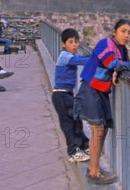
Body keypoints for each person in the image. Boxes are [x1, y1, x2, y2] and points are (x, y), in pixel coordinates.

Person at [74, 18, 130, 185]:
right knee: (98, 130)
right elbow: (113, 63)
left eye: (129, 33)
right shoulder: (104, 44)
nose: (126, 35)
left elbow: (123, 65)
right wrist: (121, 68)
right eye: (123, 31)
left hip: (101, 91)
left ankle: (93, 167)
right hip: (91, 89)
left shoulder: (120, 49)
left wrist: (122, 68)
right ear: (114, 31)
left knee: (103, 130)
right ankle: (94, 173)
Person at [52, 28, 91, 163]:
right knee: (68, 124)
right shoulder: (64, 56)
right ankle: (73, 151)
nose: (75, 45)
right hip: (61, 95)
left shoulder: (69, 55)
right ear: (63, 44)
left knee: (76, 119)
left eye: (76, 42)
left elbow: (80, 59)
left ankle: (84, 145)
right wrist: (95, 58)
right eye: (71, 42)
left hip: (67, 94)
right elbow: (80, 60)